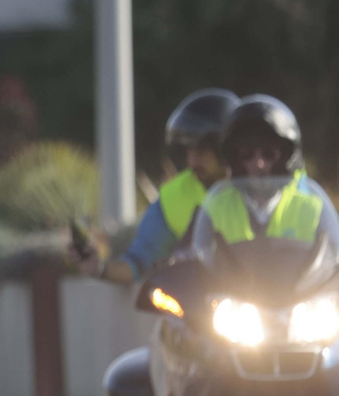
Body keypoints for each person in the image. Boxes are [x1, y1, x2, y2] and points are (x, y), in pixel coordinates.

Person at [76, 88, 238, 283]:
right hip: (207, 307)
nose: (192, 160)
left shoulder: (265, 189)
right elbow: (138, 261)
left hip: (267, 298)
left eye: (202, 150)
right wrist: (99, 268)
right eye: (189, 150)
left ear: (225, 147)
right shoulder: (174, 196)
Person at [196, 94, 333, 243]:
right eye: (247, 155)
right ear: (234, 160)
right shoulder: (216, 205)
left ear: (286, 158)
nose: (259, 164)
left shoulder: (312, 206)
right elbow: (188, 252)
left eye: (269, 154)